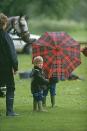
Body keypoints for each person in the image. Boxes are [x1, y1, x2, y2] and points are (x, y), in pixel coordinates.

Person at [0, 13, 18, 116]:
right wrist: (15, 67)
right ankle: (10, 111)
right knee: (10, 87)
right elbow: (12, 53)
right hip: (5, 67)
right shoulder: (5, 36)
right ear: (5, 23)